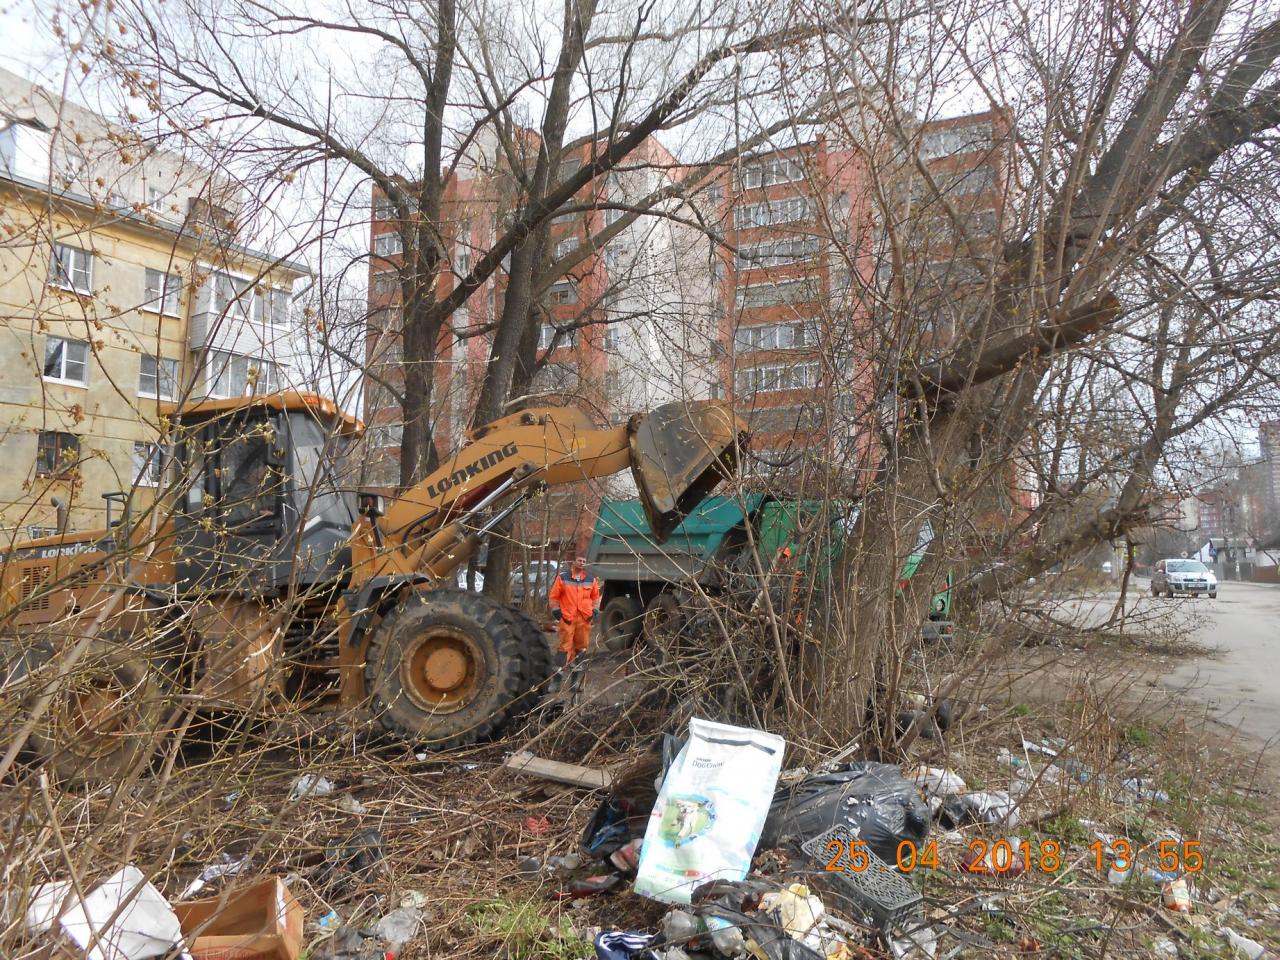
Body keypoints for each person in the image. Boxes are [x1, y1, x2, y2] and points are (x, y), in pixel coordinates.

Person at [548, 556, 601, 665]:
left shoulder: (591, 580)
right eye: (579, 560)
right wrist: (557, 612)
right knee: (564, 647)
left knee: (581, 647)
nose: (581, 563)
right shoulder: (563, 578)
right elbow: (553, 597)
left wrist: (594, 611)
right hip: (568, 618)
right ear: (574, 562)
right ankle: (558, 676)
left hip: (584, 619)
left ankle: (575, 678)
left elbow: (596, 598)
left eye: (584, 561)